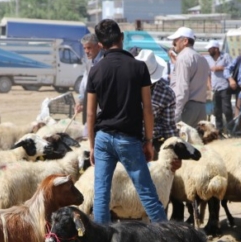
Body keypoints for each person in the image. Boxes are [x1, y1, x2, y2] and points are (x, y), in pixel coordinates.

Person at [86, 19, 167, 224]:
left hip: (103, 139)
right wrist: (148, 141)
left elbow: (90, 115)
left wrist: (92, 146)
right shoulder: (139, 68)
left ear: (101, 45)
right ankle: (169, 240)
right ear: (122, 38)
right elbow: (147, 110)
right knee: (147, 193)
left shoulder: (95, 70)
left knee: (102, 195)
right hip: (129, 139)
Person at [135, 49, 177, 156]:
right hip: (129, 139)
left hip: (154, 143)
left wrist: (174, 151)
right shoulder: (127, 86)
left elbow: (168, 127)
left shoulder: (167, 93)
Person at [167, 27, 210, 127]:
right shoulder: (201, 58)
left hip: (187, 107)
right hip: (201, 107)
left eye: (176, 40)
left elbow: (182, 89)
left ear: (185, 41)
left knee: (180, 141)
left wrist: (176, 113)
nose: (173, 44)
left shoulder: (183, 58)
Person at [204, 40, 233, 131]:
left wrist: (221, 68)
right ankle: (219, 129)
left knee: (227, 109)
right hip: (215, 88)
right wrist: (210, 86)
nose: (209, 51)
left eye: (210, 49)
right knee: (217, 111)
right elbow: (208, 74)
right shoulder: (208, 59)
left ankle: (231, 128)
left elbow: (231, 68)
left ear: (216, 49)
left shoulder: (225, 57)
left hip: (224, 86)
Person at [76, 33, 104, 124]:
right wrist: (80, 101)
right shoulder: (89, 63)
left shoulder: (105, 61)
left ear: (98, 46)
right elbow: (85, 83)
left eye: (89, 48)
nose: (86, 51)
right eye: (84, 48)